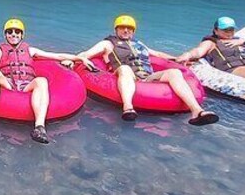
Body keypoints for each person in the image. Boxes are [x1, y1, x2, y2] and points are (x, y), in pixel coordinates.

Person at [68, 15, 219, 125]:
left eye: (129, 28)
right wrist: (75, 59)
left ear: (133, 31)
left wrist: (178, 59)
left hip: (148, 77)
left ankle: (197, 111)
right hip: (126, 74)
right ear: (116, 30)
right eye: (122, 28)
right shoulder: (107, 43)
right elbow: (86, 53)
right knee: (125, 68)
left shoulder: (139, 43)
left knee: (175, 72)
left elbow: (158, 55)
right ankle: (128, 108)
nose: (126, 30)